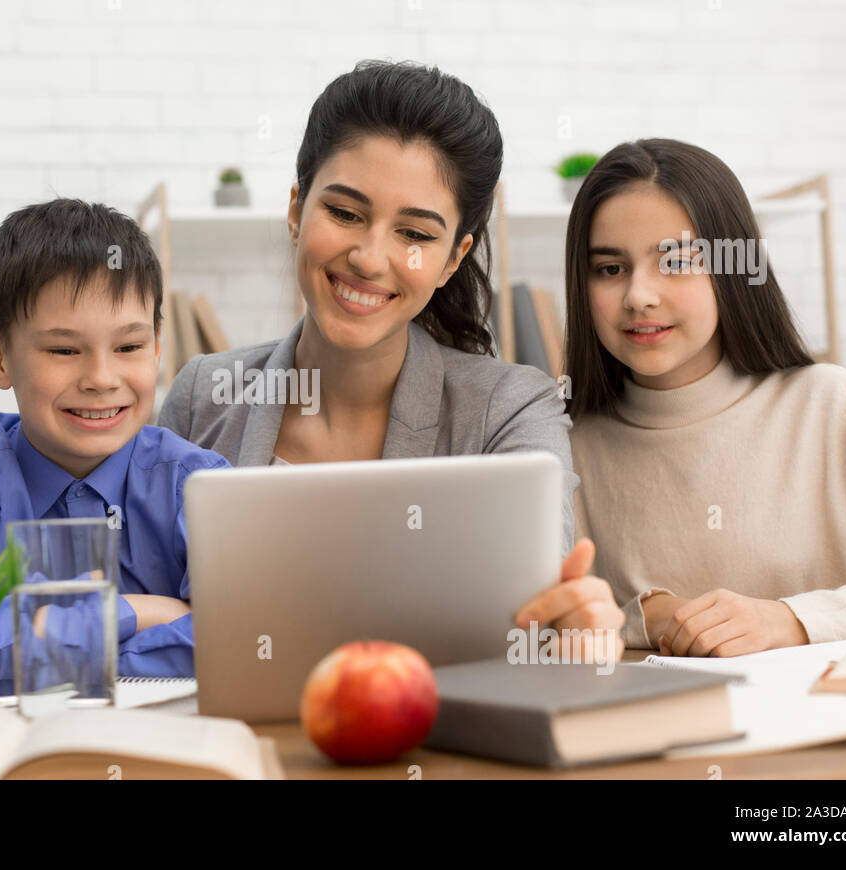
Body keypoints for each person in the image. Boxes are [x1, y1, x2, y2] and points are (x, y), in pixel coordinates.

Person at [159, 60, 624, 660]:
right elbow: (135, 604)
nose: (370, 258)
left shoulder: (510, 409)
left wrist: (573, 628)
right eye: (346, 213)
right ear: (297, 210)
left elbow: (534, 622)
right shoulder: (203, 395)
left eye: (416, 235)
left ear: (453, 258)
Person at [564, 138, 846, 655]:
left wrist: (793, 619)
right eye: (610, 269)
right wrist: (643, 618)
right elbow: (542, 629)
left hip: (835, 728)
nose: (639, 295)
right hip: (654, 734)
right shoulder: (565, 445)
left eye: (676, 261)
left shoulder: (837, 408)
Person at [0, 199, 230, 692]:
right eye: (63, 350)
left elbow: (242, 635)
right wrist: (133, 612)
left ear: (158, 346)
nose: (101, 378)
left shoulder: (197, 485)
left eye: (129, 347)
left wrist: (49, 650)